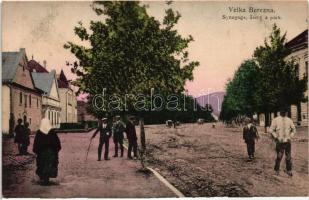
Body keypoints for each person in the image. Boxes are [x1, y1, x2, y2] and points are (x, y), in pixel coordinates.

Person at [33, 118, 61, 185]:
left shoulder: (39, 132)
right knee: (49, 165)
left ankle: (44, 178)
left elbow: (36, 143)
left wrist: (36, 150)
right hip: (51, 153)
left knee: (42, 165)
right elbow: (57, 143)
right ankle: (46, 179)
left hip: (41, 153)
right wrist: (56, 150)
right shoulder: (52, 132)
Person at [270, 108, 296, 176]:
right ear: (280, 112)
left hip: (287, 142)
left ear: (286, 112)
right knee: (279, 156)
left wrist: (290, 137)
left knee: (288, 157)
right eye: (282, 111)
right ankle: (276, 170)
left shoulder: (289, 120)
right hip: (280, 142)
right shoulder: (275, 120)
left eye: (285, 111)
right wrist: (276, 137)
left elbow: (294, 130)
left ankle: (289, 170)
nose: (283, 112)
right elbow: (271, 130)